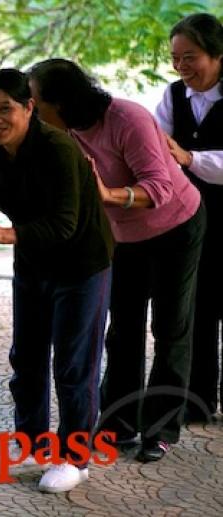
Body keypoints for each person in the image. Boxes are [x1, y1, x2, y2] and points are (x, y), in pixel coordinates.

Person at [28, 58, 206, 462]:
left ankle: (161, 429)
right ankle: (117, 425)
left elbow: (159, 187)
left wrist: (108, 195)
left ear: (61, 101)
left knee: (170, 326)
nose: (30, 108)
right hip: (124, 237)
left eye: (35, 100)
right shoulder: (60, 131)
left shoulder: (128, 118)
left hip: (176, 225)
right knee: (122, 330)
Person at [0, 69, 114, 493]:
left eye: (4, 109)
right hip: (33, 263)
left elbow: (65, 224)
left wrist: (5, 234)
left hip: (82, 263)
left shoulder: (57, 147)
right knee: (26, 357)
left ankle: (76, 457)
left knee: (73, 364)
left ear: (29, 108)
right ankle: (32, 444)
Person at [155, 13, 223, 423]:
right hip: (189, 216)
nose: (182, 67)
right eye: (176, 59)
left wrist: (189, 157)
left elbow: (178, 154)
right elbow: (157, 143)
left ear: (217, 54)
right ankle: (197, 400)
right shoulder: (173, 96)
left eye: (191, 57)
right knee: (198, 306)